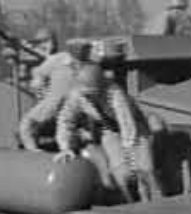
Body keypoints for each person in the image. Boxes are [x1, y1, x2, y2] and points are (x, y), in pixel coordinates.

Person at [54, 43, 159, 202]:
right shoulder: (77, 95)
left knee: (145, 169)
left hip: (136, 129)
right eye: (86, 94)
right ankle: (130, 202)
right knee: (121, 172)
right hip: (109, 130)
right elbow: (65, 120)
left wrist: (131, 157)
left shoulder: (115, 94)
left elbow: (127, 125)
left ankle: (156, 200)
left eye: (93, 93)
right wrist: (65, 147)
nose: (89, 97)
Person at [18, 39, 98, 152]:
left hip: (79, 108)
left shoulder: (93, 66)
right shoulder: (58, 59)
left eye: (86, 49)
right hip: (54, 103)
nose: (83, 51)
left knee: (82, 131)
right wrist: (38, 82)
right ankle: (33, 150)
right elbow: (39, 73)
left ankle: (73, 146)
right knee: (28, 124)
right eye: (80, 48)